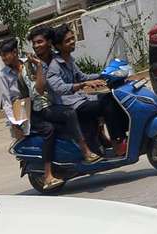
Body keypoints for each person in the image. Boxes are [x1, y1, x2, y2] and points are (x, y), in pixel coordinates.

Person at [46, 23, 128, 157]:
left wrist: (105, 74)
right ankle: (117, 143)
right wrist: (83, 84)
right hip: (71, 105)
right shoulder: (54, 66)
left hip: (81, 99)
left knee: (113, 96)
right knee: (107, 103)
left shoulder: (69, 59)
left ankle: (122, 136)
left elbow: (82, 76)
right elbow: (59, 88)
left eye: (72, 38)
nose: (72, 42)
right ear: (58, 46)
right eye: (68, 41)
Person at [26, 27, 101, 165]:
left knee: (95, 103)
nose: (36, 46)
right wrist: (39, 66)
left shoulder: (57, 57)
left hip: (58, 101)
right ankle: (86, 152)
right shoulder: (31, 64)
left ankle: (101, 141)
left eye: (39, 42)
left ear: (49, 42)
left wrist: (102, 75)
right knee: (70, 113)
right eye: (34, 43)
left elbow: (78, 76)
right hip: (42, 107)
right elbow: (40, 90)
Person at [0, 38, 64, 190]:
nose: (3, 58)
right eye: (1, 56)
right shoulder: (3, 75)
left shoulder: (28, 63)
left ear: (14, 52)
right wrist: (15, 124)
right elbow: (7, 101)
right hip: (21, 109)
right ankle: (47, 175)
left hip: (40, 102)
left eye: (5, 55)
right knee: (48, 130)